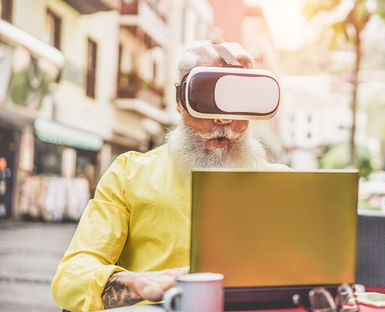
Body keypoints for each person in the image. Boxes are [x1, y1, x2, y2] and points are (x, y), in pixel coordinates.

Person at [51, 41, 287, 311]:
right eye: (208, 98)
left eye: (238, 100)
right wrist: (141, 284)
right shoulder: (129, 174)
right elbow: (71, 277)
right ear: (180, 102)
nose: (223, 119)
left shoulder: (284, 186)